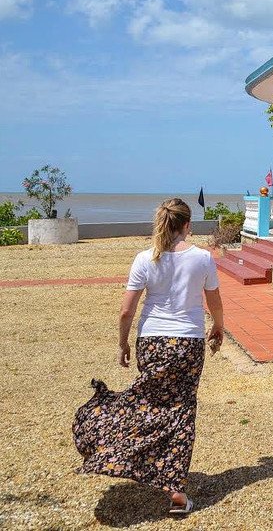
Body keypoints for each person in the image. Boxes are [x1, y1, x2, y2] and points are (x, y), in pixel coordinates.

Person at [72, 198, 224, 516]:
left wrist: (123, 344)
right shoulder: (203, 258)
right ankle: (176, 493)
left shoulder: (145, 258)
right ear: (186, 225)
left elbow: (127, 309)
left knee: (150, 405)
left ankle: (125, 455)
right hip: (187, 345)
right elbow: (214, 301)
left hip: (151, 342)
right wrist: (219, 327)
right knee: (181, 412)